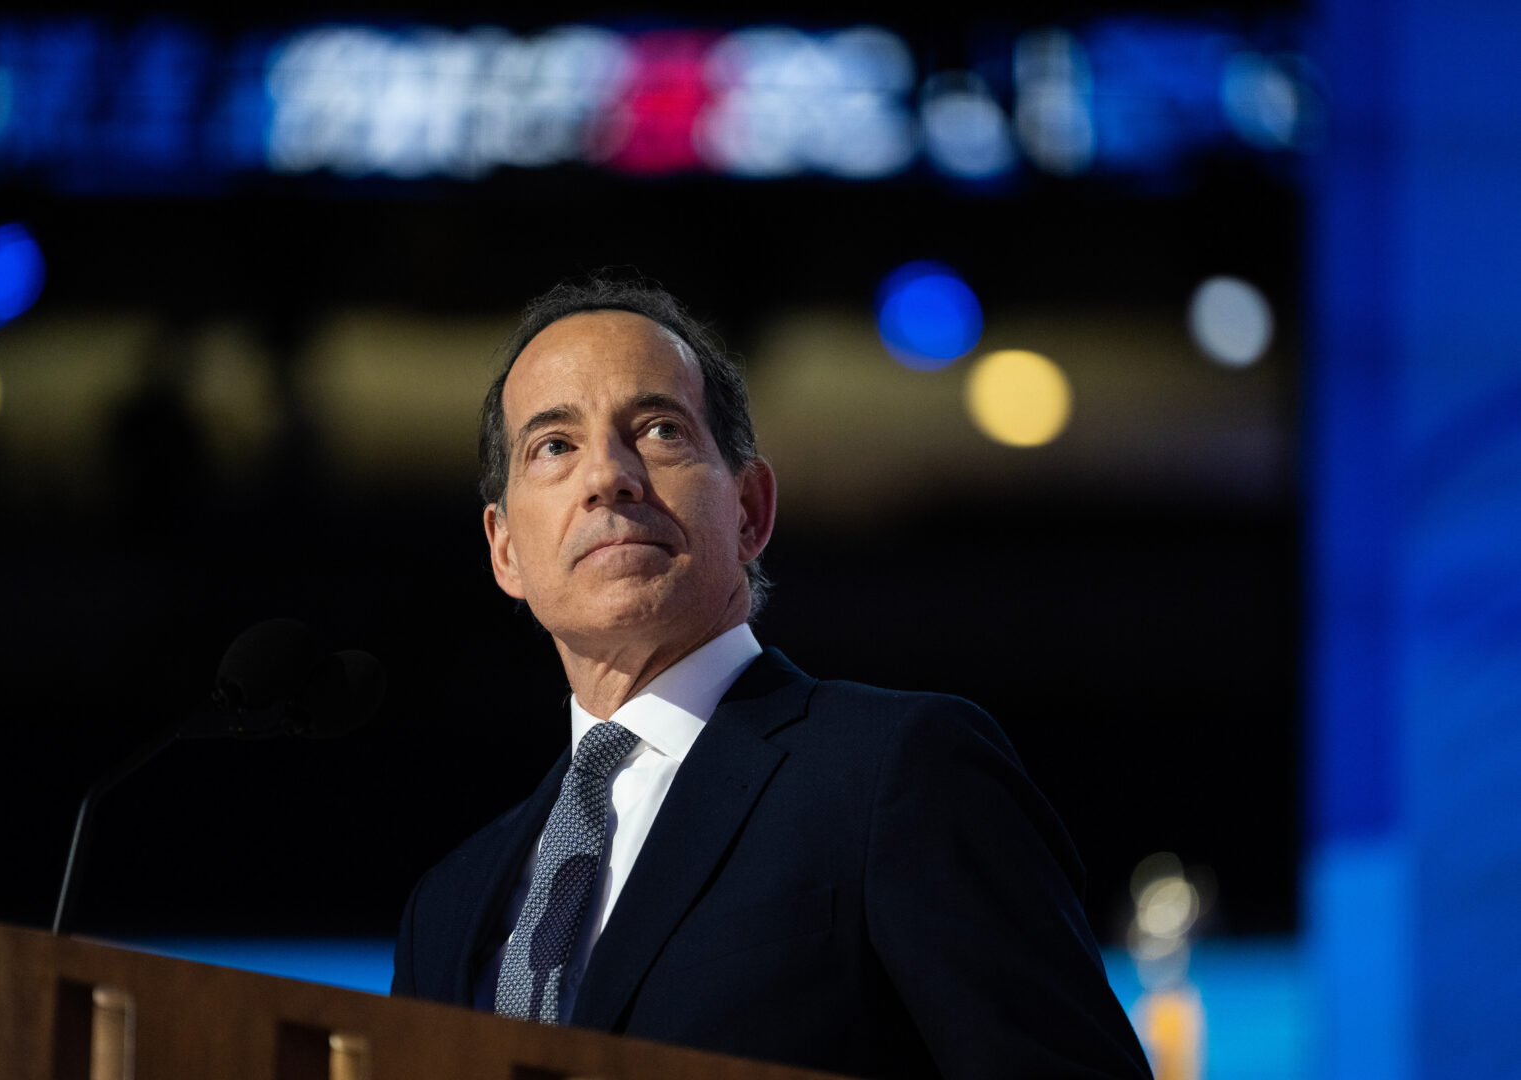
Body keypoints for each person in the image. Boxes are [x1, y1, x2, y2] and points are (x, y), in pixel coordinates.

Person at [392, 277, 1152, 1080]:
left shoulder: (898, 772)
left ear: (750, 509)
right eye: (554, 445)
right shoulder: (446, 904)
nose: (606, 476)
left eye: (657, 430)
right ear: (504, 548)